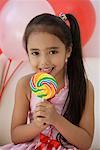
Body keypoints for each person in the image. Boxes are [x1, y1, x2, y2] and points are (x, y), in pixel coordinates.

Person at [1, 13, 94, 150]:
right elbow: (16, 136)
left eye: (52, 52)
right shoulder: (25, 85)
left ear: (68, 51)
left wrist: (55, 119)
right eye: (35, 53)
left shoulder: (84, 87)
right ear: (28, 53)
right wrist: (37, 125)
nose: (44, 61)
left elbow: (85, 143)